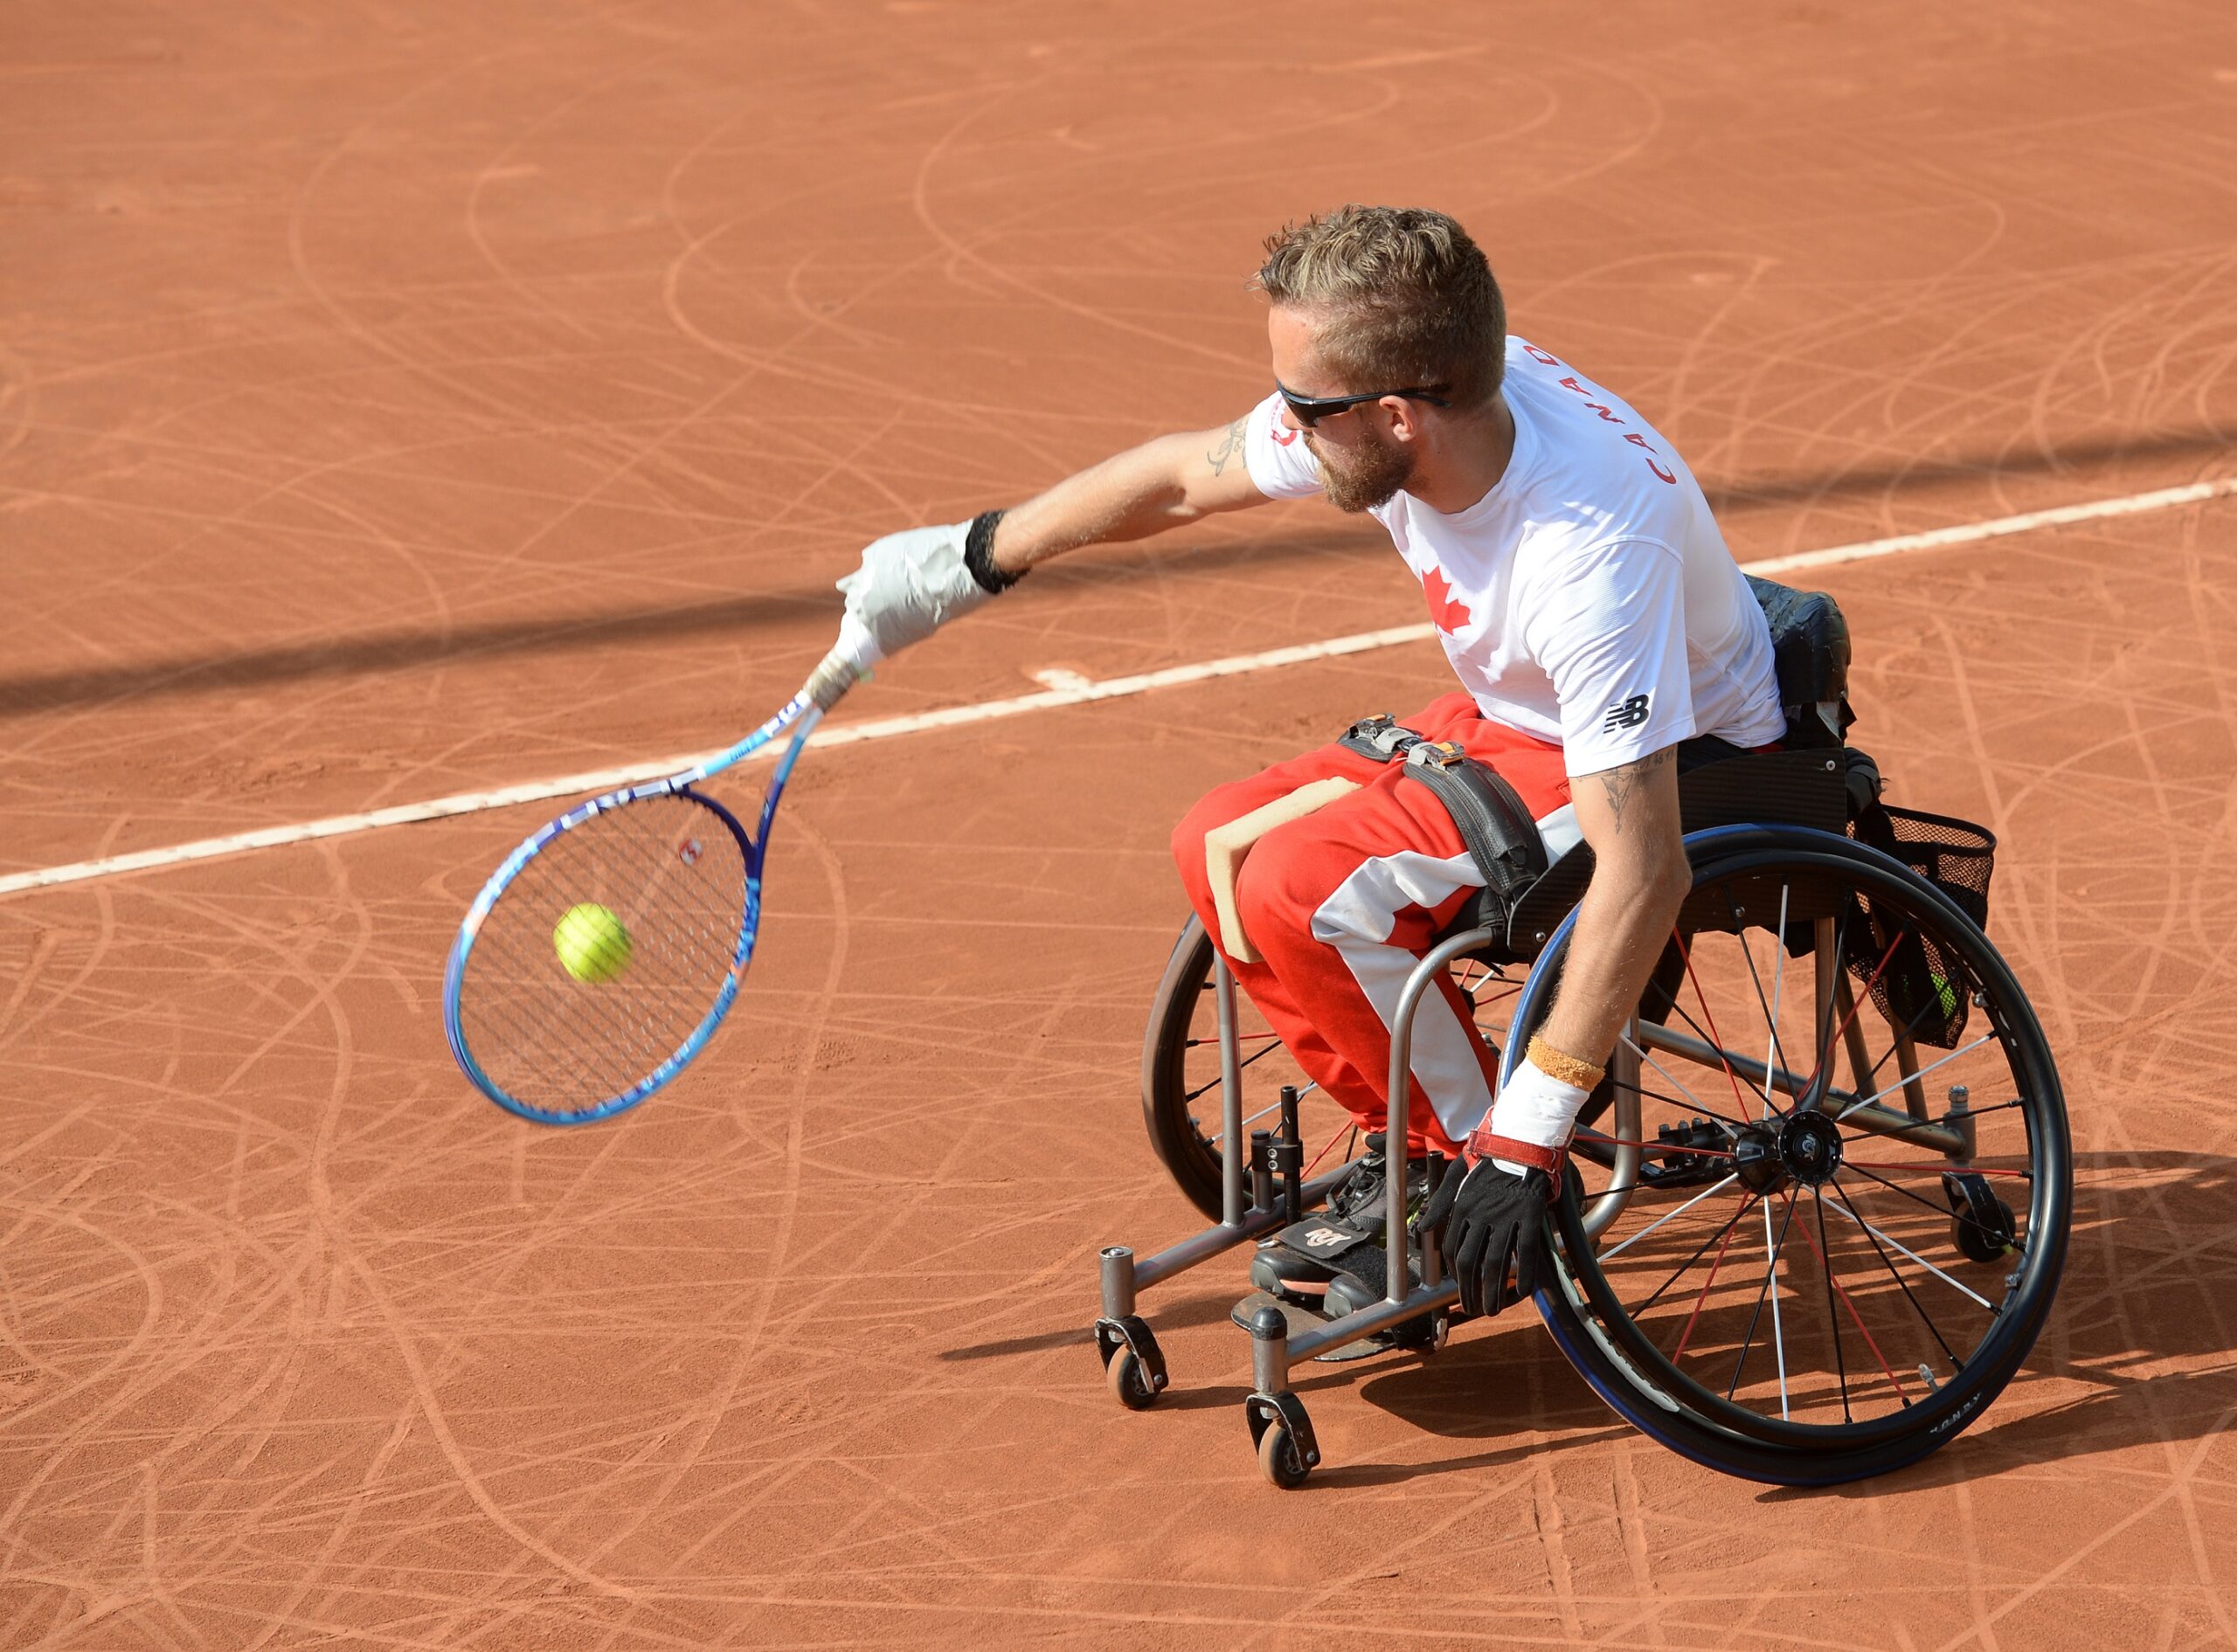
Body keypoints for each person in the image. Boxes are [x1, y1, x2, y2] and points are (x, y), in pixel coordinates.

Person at [827, 205, 1783, 1322]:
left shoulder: (1588, 552)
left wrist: (1531, 1133)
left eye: (1303, 407)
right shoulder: (1436, 386)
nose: (1282, 424)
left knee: (1306, 887)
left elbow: (1647, 870)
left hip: (1666, 755)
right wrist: (971, 557)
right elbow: (1186, 475)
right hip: (1516, 718)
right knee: (1216, 842)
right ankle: (1413, 1144)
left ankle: (1462, 1159)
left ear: (1396, 415)